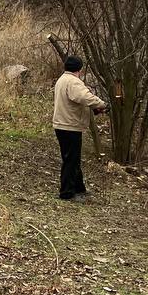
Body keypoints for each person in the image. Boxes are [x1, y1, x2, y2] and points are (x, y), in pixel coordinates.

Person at [52, 55, 107, 202]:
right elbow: (85, 97)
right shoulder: (73, 82)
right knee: (71, 160)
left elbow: (75, 101)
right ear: (80, 69)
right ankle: (67, 193)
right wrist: (101, 104)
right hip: (70, 125)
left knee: (72, 159)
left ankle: (79, 188)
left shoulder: (62, 80)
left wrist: (94, 109)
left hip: (63, 124)